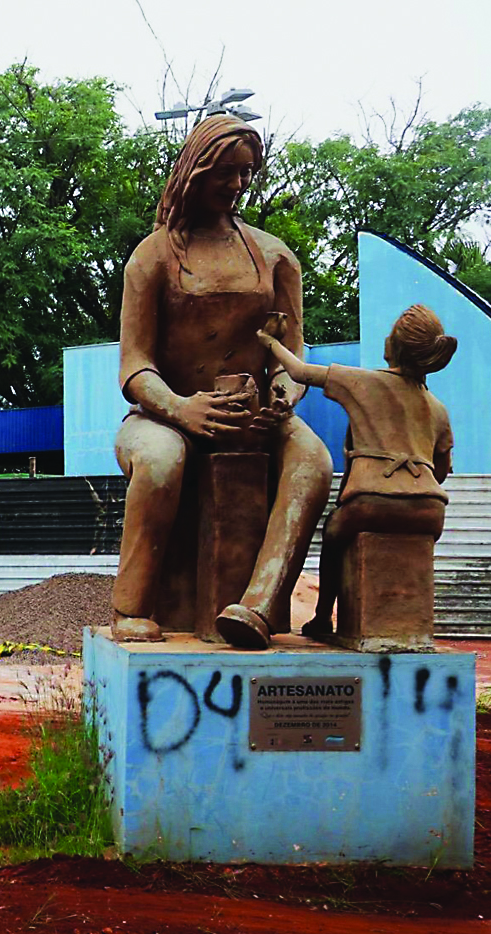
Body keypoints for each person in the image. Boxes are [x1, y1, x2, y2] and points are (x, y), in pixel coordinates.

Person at [113, 114, 332, 648]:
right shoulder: (153, 256)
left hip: (252, 414)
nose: (236, 186)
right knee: (164, 460)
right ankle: (132, 605)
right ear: (195, 171)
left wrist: (286, 387)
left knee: (314, 462)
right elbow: (134, 367)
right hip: (158, 416)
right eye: (225, 174)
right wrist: (182, 409)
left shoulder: (276, 257)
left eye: (246, 174)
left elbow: (289, 351)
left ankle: (256, 606)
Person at [258, 304, 456, 638]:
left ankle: (322, 618)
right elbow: (442, 469)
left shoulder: (363, 381)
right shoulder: (437, 407)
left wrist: (268, 342)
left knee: (333, 535)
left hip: (371, 501)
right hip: (430, 510)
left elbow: (299, 371)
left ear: (394, 345)